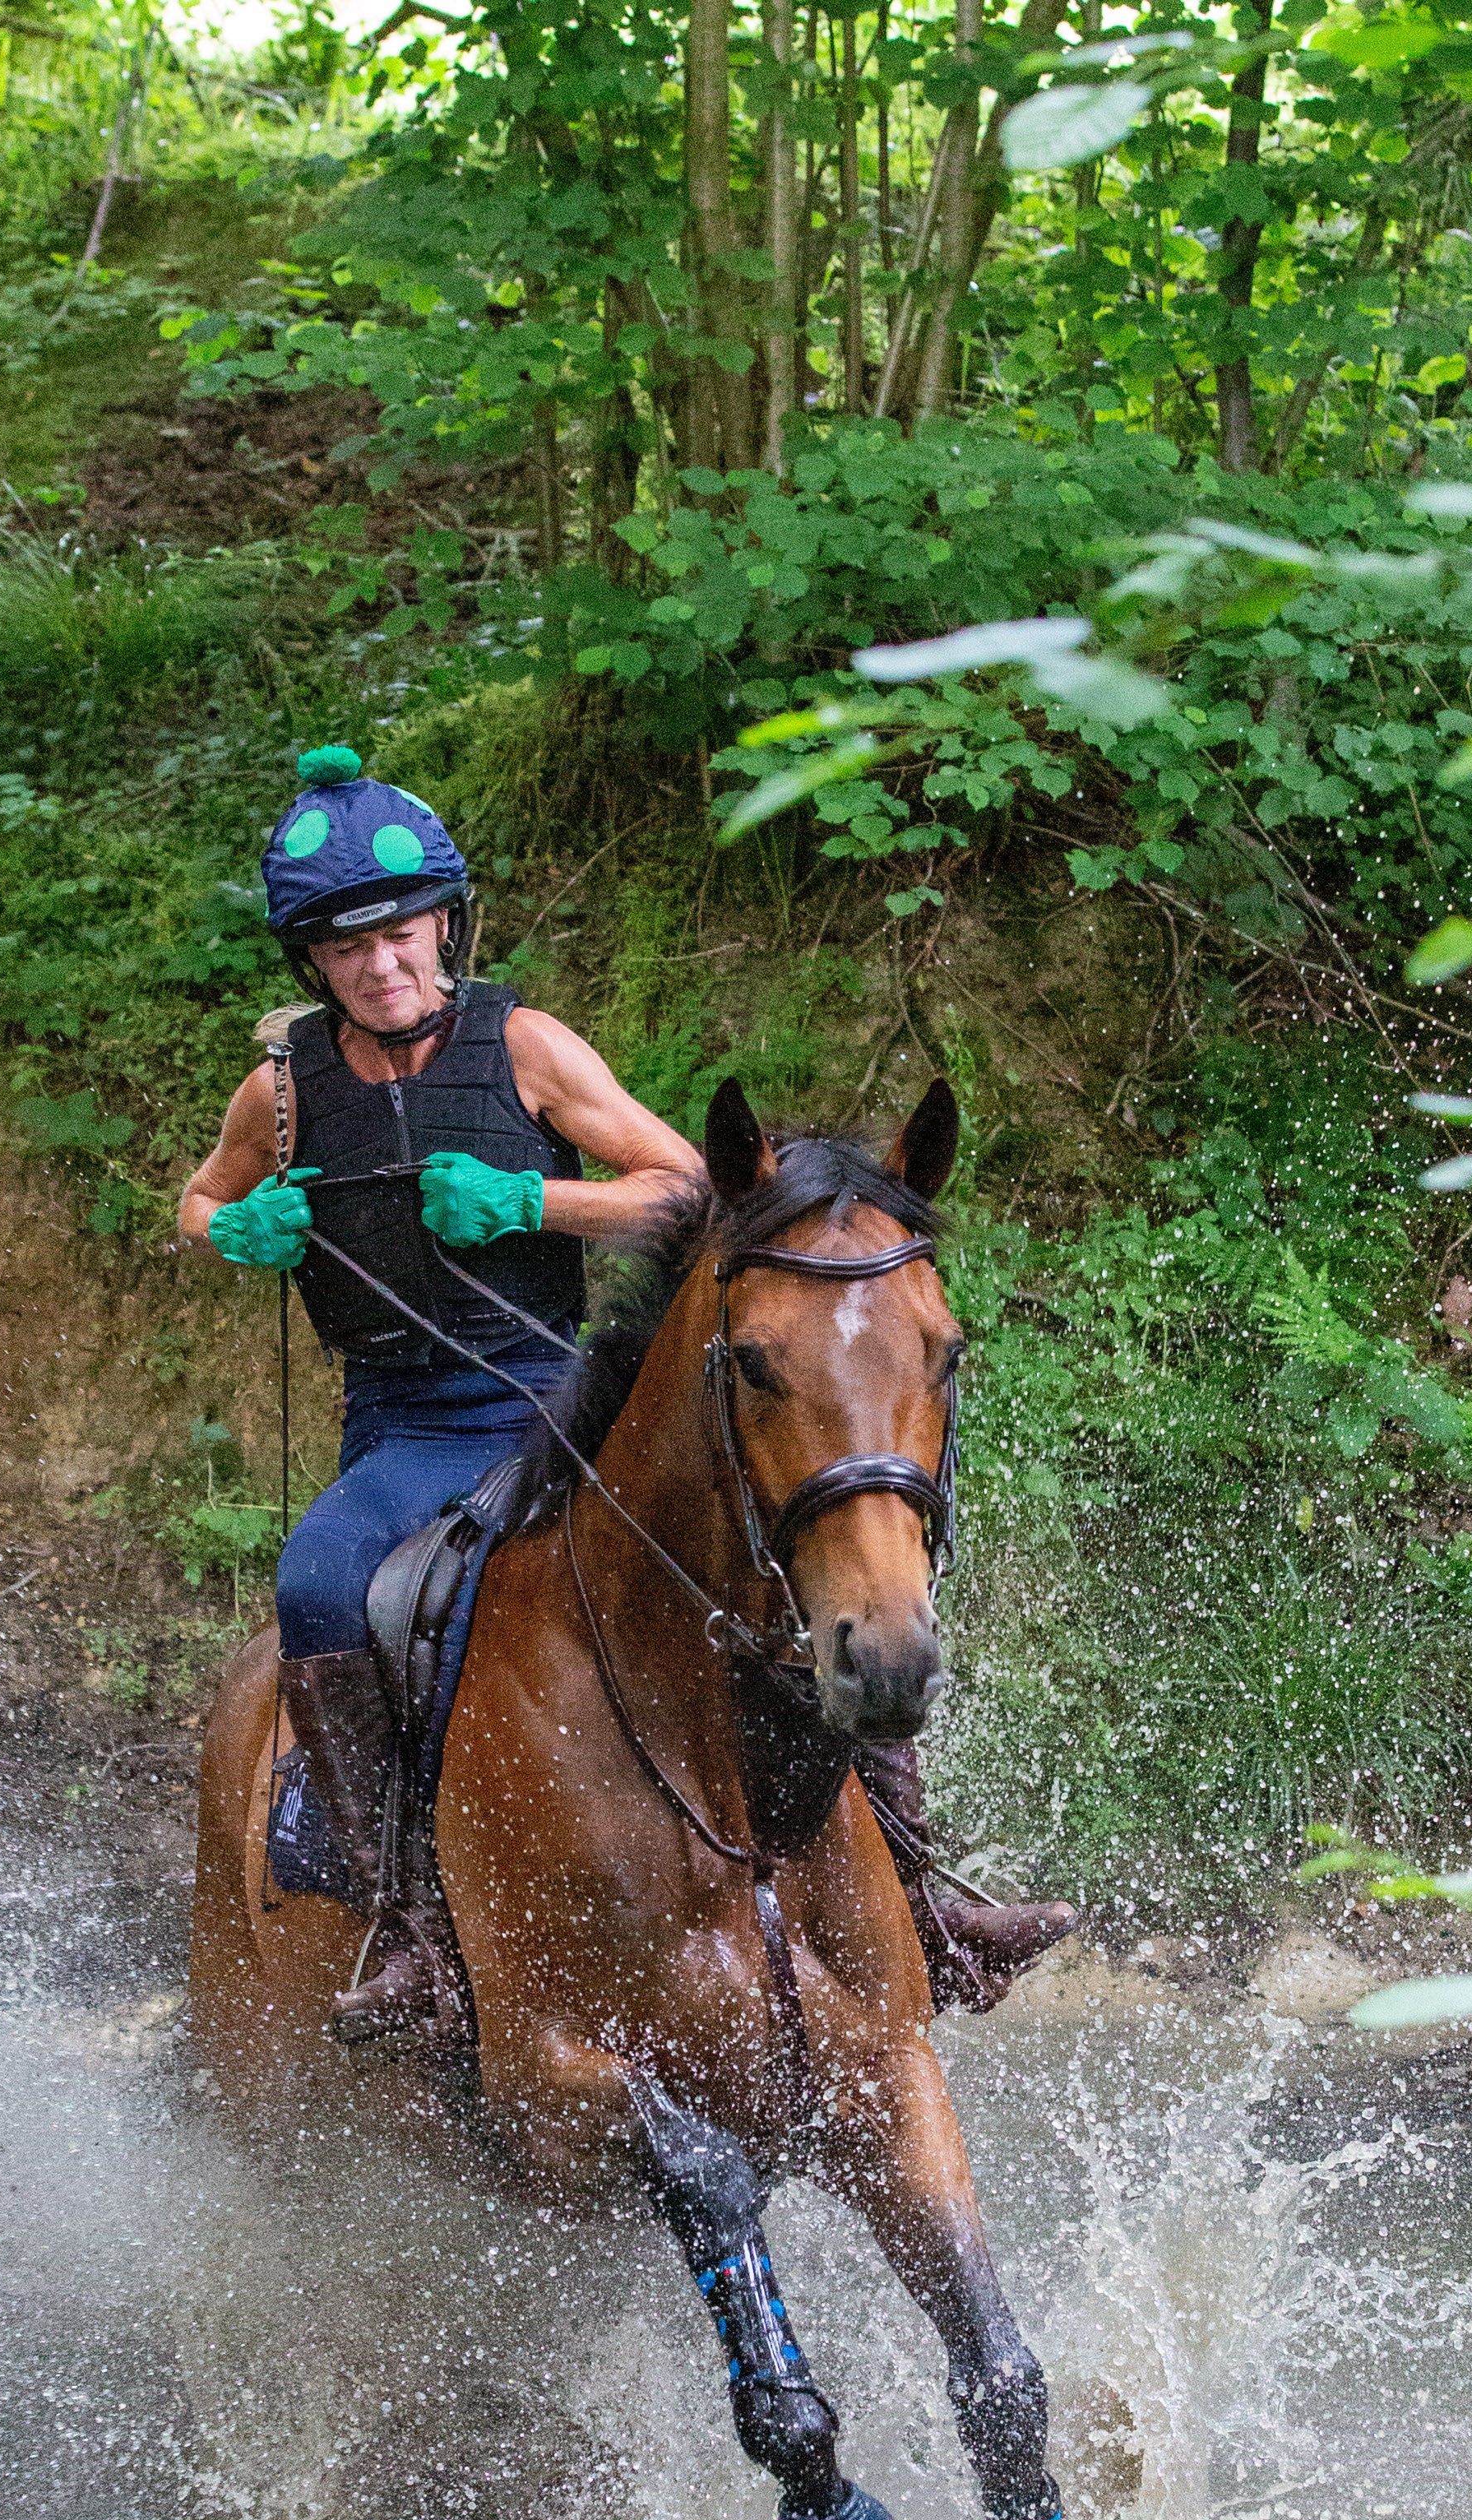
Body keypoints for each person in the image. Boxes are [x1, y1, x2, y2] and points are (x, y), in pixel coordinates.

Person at [180, 741, 1077, 2031]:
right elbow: (196, 1204)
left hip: (548, 1400)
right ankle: (403, 1921)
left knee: (780, 1570)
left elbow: (685, 1185)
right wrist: (233, 1228)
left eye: (401, 934)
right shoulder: (281, 1089)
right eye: (343, 947)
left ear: (444, 924)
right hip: (404, 1427)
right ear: (309, 963)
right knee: (320, 1581)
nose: (381, 965)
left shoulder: (525, 1046)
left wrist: (527, 1198)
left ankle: (921, 1892)